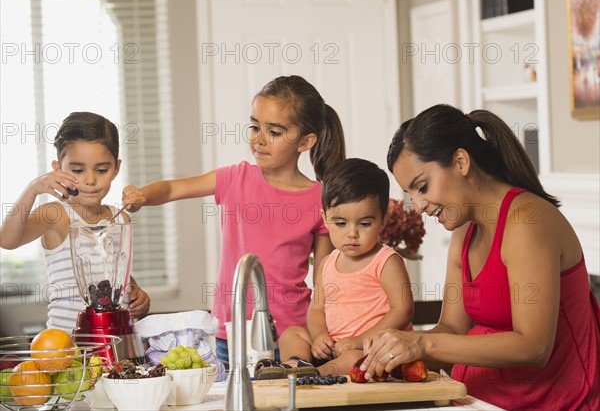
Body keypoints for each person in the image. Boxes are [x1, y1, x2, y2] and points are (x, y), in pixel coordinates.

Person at [360, 104, 599, 410]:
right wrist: (390, 348)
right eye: (411, 195)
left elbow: (534, 346)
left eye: (422, 187)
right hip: (476, 400)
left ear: (460, 161)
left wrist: (420, 342)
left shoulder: (527, 220)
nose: (418, 206)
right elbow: (452, 329)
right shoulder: (465, 231)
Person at [121, 75, 346, 368]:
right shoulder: (234, 179)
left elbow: (324, 282)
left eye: (274, 132)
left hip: (291, 335)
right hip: (233, 331)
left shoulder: (319, 199)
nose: (259, 139)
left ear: (305, 141)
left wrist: (319, 335)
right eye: (255, 126)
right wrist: (143, 194)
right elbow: (174, 188)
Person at [253, 158, 414, 380]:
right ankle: (296, 364)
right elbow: (316, 309)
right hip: (332, 349)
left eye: (364, 224)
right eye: (340, 223)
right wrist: (319, 336)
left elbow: (402, 310)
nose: (352, 233)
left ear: (383, 220)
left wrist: (358, 340)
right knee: (291, 334)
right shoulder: (328, 263)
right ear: (325, 218)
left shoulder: (386, 261)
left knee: (352, 360)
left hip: (370, 351)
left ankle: (312, 374)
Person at [0, 112, 151, 332]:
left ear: (116, 168)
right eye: (78, 170)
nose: (90, 179)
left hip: (117, 339)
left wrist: (137, 293)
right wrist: (32, 189)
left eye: (101, 169)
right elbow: (7, 240)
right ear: (58, 169)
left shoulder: (120, 217)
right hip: (66, 344)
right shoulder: (55, 214)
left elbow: (115, 271)